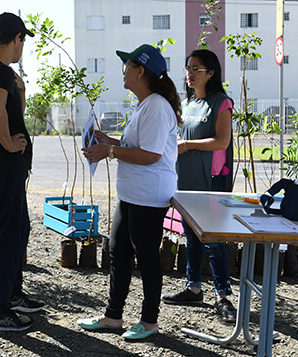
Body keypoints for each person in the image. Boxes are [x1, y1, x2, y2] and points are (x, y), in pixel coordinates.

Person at [78, 44, 182, 340]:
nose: (123, 71)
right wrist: (106, 139)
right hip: (132, 194)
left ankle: (149, 321)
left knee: (146, 255)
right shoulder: (146, 104)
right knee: (118, 250)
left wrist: (108, 150)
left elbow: (150, 155)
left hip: (149, 196)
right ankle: (113, 316)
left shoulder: (158, 107)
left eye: (128, 66)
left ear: (141, 71)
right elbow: (136, 145)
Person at [0, 12, 44, 333]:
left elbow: (9, 112)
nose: (22, 48)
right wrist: (9, 144)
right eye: (22, 41)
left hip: (3, 165)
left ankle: (11, 295)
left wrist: (22, 92)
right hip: (1, 164)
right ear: (16, 38)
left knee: (18, 230)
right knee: (4, 237)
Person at [161, 49, 237, 323]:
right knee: (191, 237)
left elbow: (221, 142)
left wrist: (187, 145)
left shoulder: (222, 103)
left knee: (212, 239)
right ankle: (193, 287)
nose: (189, 73)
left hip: (210, 182)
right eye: (188, 68)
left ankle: (223, 296)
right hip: (187, 181)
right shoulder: (190, 103)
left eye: (196, 69)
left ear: (211, 73)